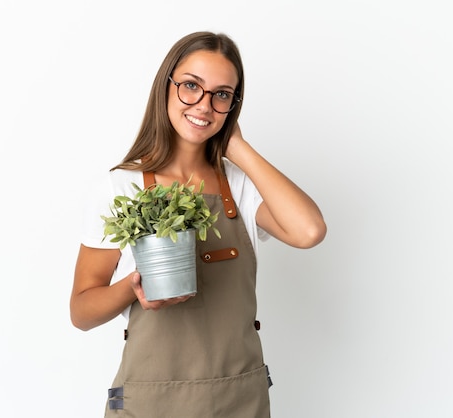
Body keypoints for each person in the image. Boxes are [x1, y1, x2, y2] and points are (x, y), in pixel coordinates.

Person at [70, 31, 326, 418]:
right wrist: (133, 286)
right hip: (149, 403)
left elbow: (309, 231)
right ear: (167, 86)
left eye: (222, 94)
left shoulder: (239, 186)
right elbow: (81, 312)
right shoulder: (120, 187)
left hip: (239, 399)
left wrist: (237, 147)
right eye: (191, 86)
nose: (204, 106)